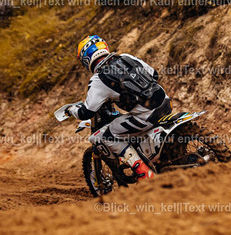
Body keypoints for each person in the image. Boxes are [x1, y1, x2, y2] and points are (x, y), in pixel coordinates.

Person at [66, 35, 172, 181]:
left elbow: (86, 112)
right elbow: (154, 74)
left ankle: (144, 173)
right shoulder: (126, 58)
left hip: (146, 116)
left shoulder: (98, 79)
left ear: (86, 59)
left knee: (108, 136)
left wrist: (70, 110)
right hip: (165, 103)